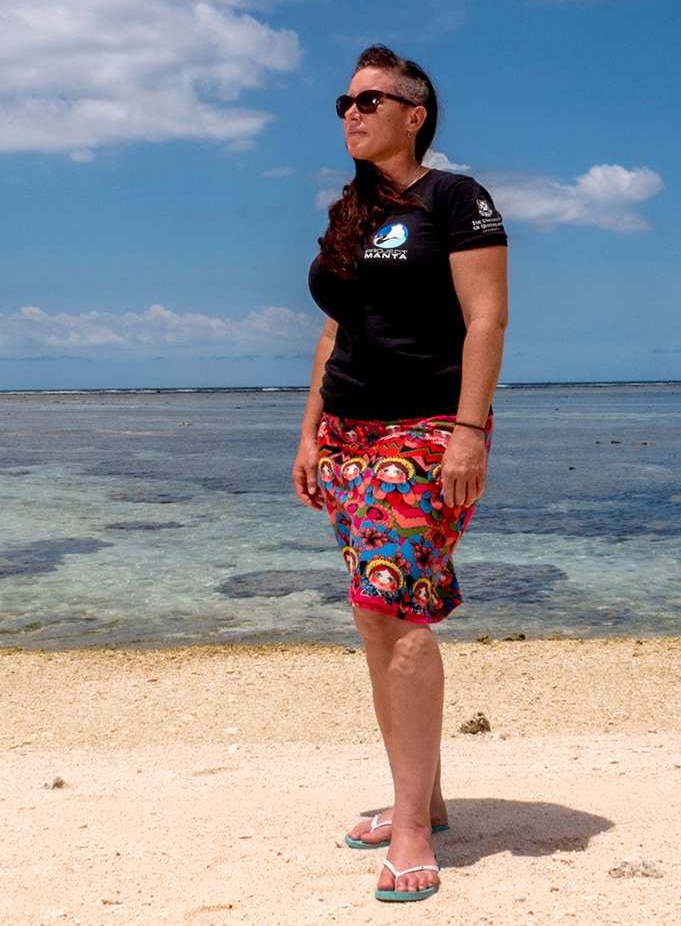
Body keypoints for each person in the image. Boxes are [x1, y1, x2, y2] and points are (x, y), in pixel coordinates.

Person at [292, 44, 508, 903]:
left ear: (414, 113)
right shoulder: (352, 207)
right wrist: (309, 434)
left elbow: (485, 319)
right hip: (347, 431)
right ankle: (427, 796)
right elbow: (331, 332)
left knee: (396, 612)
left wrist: (467, 433)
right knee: (374, 613)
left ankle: (413, 829)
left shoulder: (455, 198)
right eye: (343, 100)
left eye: (370, 99)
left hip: (422, 429)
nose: (351, 111)